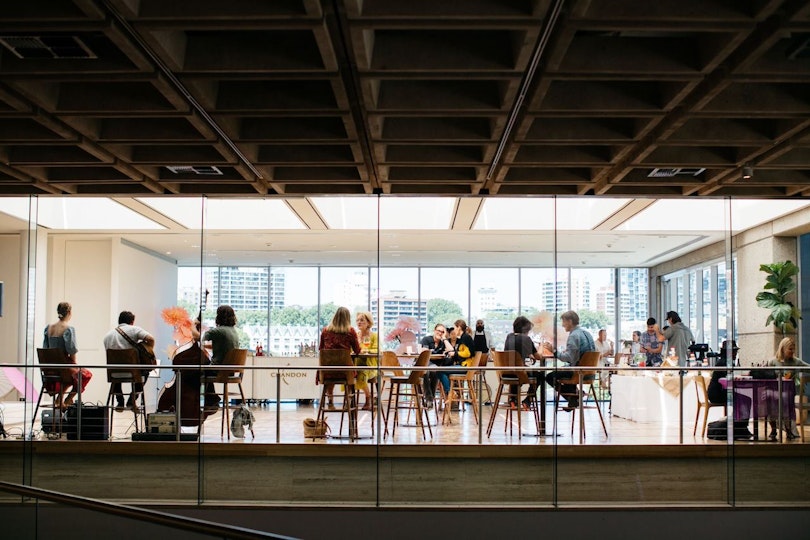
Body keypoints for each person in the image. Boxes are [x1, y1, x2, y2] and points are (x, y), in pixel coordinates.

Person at [102, 310, 155, 411]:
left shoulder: (107, 336)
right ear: (132, 322)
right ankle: (132, 400)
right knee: (145, 372)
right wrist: (149, 351)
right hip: (133, 373)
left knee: (116, 367)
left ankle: (120, 401)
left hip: (114, 374)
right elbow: (151, 339)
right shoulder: (134, 330)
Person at [42, 302, 92, 407]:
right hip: (63, 366)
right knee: (84, 375)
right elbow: (71, 350)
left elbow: (45, 348)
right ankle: (68, 399)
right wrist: (75, 365)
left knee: (70, 377)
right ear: (69, 312)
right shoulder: (68, 329)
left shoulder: (48, 328)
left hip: (50, 368)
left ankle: (60, 399)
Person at [543, 310, 595, 410]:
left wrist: (553, 350)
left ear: (570, 321)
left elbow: (568, 358)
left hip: (578, 373)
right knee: (565, 370)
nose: (562, 325)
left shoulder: (573, 336)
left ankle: (573, 398)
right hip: (590, 373)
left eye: (564, 321)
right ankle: (574, 397)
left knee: (550, 377)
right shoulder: (587, 333)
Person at [318, 307, 361, 409]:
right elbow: (357, 351)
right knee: (350, 372)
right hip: (345, 371)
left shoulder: (325, 331)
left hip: (327, 371)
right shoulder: (350, 331)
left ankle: (330, 400)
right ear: (348, 318)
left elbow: (321, 348)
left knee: (332, 371)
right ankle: (348, 400)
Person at [766, 337, 807, 440]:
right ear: (783, 348)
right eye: (790, 349)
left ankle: (788, 431)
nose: (792, 351)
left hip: (787, 393)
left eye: (793, 349)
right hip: (774, 392)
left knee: (785, 402)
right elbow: (766, 374)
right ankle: (773, 429)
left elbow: (807, 367)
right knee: (771, 400)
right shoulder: (773, 361)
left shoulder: (796, 361)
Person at [503, 315, 544, 410]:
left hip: (506, 373)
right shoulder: (526, 339)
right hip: (519, 373)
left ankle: (513, 399)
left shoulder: (509, 337)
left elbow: (515, 351)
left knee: (517, 370)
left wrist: (528, 354)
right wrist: (541, 345)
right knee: (540, 376)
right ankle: (528, 400)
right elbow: (539, 357)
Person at [354, 311, 378, 410]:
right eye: (357, 320)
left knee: (361, 372)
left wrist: (367, 350)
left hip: (370, 365)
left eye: (362, 320)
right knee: (348, 371)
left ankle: (368, 398)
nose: (359, 322)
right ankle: (350, 399)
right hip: (356, 364)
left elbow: (377, 350)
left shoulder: (373, 336)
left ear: (368, 322)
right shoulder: (355, 335)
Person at [420, 323, 447, 407]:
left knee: (435, 371)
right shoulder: (426, 339)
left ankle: (429, 399)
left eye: (442, 332)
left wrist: (445, 339)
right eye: (439, 331)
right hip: (423, 363)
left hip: (434, 365)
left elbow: (450, 350)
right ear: (434, 331)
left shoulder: (443, 343)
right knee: (426, 372)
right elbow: (425, 353)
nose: (440, 333)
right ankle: (430, 399)